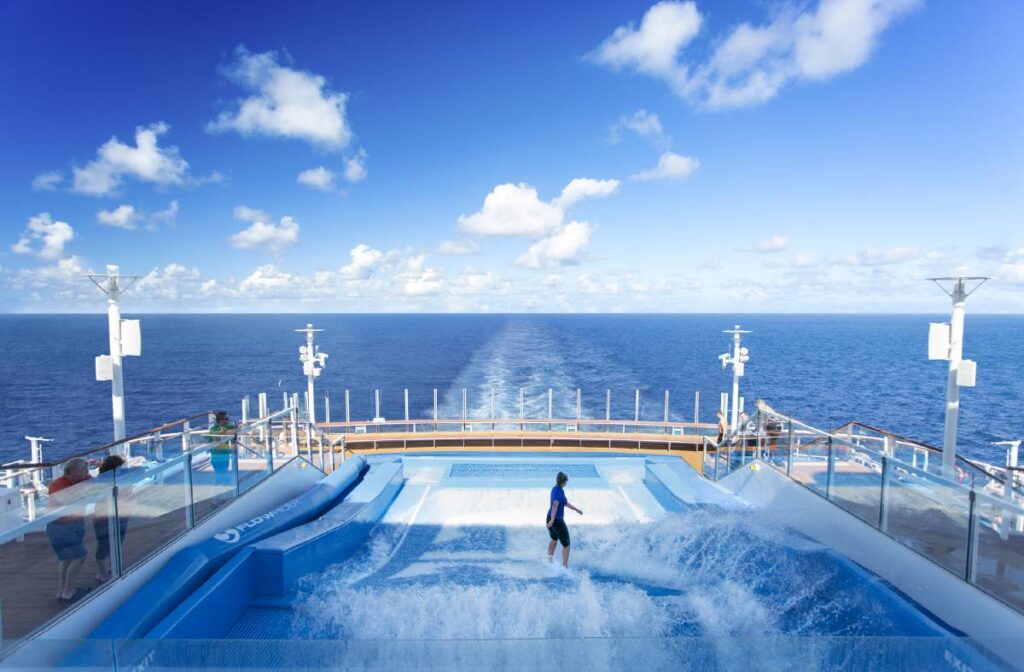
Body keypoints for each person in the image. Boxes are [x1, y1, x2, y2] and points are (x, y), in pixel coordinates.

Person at [46, 458, 92, 601]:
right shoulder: (57, 485)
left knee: (67, 558)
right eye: (84, 470)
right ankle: (69, 591)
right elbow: (69, 501)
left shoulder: (82, 479)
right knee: (79, 556)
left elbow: (96, 483)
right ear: (72, 472)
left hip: (75, 524)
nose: (87, 473)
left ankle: (62, 590)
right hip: (61, 526)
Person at [93, 455, 127, 582]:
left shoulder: (119, 478)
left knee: (118, 541)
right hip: (104, 517)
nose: (121, 469)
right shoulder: (102, 480)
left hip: (121, 514)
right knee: (104, 544)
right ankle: (100, 572)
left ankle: (114, 566)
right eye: (119, 467)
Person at [546, 471, 582, 568]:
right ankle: (565, 566)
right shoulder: (560, 492)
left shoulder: (555, 489)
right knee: (566, 544)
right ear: (564, 482)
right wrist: (553, 520)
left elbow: (565, 503)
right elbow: (555, 505)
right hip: (556, 521)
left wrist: (576, 510)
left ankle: (549, 559)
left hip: (549, 518)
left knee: (554, 538)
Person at [208, 411, 237, 486]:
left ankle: (220, 488)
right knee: (222, 475)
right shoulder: (213, 428)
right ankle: (225, 489)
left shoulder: (228, 426)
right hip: (216, 457)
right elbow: (216, 437)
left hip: (225, 456)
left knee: (222, 474)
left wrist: (228, 431)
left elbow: (237, 429)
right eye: (226, 418)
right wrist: (226, 432)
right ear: (220, 420)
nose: (228, 420)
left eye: (228, 418)